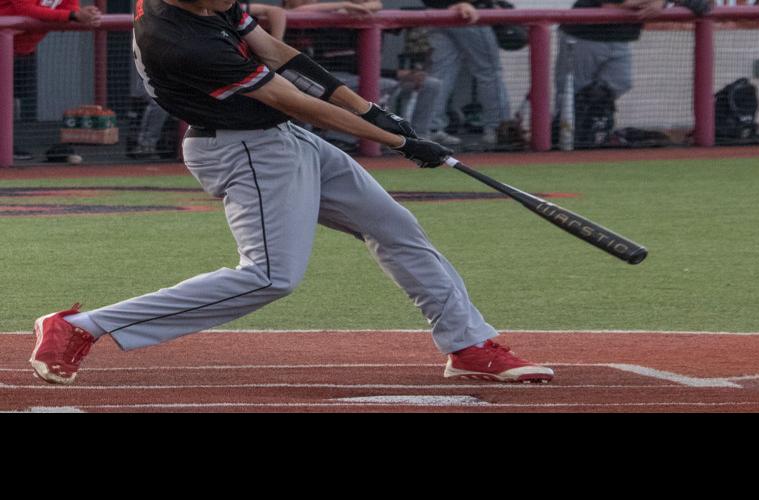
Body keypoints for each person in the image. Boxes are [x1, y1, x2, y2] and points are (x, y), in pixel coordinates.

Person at [28, 0, 554, 386]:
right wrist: (399, 141)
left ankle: (466, 344)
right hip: (245, 150)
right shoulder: (178, 40)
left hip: (278, 137)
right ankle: (81, 326)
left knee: (395, 228)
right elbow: (294, 100)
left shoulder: (209, 6)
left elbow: (279, 52)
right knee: (271, 276)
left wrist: (372, 112)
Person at [282, 0, 455, 146]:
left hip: (366, 77)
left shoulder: (358, 15)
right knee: (383, 85)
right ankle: (344, 139)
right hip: (328, 77)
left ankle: (420, 139)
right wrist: (344, 6)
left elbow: (384, 6)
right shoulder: (324, 19)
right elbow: (299, 10)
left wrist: (362, 8)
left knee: (431, 84)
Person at [127, 1, 287, 159]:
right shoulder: (166, 23)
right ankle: (146, 144)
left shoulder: (224, 8)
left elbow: (276, 12)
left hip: (236, 105)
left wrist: (271, 48)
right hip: (188, 87)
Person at [555, 0, 711, 118]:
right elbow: (620, 3)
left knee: (620, 83)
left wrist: (661, 2)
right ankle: (562, 143)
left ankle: (589, 132)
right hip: (583, 35)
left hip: (620, 38)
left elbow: (702, 4)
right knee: (571, 92)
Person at [0, 0, 102, 160]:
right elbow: (25, 9)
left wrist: (85, 15)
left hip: (22, 48)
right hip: (4, 41)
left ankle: (5, 145)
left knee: (10, 99)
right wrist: (73, 15)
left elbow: (70, 7)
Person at [420, 1, 509, 146]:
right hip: (468, 14)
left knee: (441, 74)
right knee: (489, 73)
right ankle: (498, 129)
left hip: (437, 13)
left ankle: (431, 128)